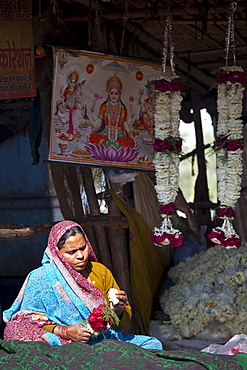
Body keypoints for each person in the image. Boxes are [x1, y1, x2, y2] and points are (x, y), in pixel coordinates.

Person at [3, 220, 163, 349]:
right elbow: (26, 321)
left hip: (103, 340)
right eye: (71, 252)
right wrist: (65, 331)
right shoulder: (40, 278)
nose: (80, 256)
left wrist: (119, 310)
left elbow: (121, 322)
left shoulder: (99, 271)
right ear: (56, 253)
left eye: (83, 248)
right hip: (62, 342)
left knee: (153, 345)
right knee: (37, 348)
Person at [89, 74, 135, 149]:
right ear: (108, 94)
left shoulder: (122, 108)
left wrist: (129, 132)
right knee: (93, 138)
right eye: (112, 93)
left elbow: (124, 122)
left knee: (130, 143)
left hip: (119, 134)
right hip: (105, 133)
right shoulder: (104, 106)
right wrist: (91, 126)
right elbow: (99, 120)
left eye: (116, 93)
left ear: (119, 95)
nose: (114, 96)